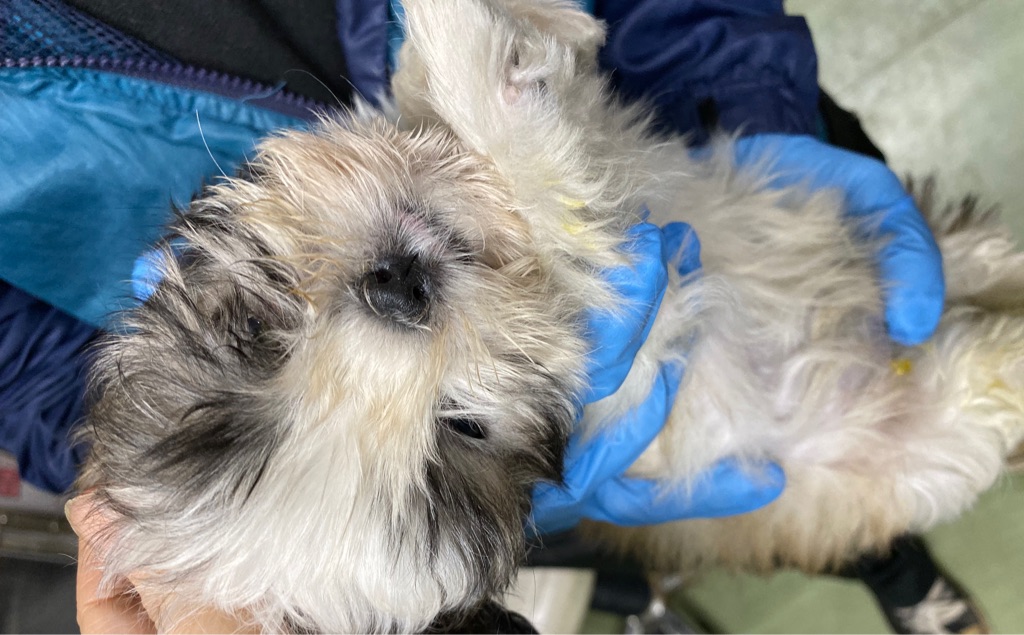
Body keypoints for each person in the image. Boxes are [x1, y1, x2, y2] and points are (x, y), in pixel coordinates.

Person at [0, 0, 978, 632]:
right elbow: (22, 372)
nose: (396, 313)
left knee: (927, 264)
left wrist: (734, 90)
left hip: (703, 99)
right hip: (712, 441)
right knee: (880, 451)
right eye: (459, 423)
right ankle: (897, 569)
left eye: (261, 326)